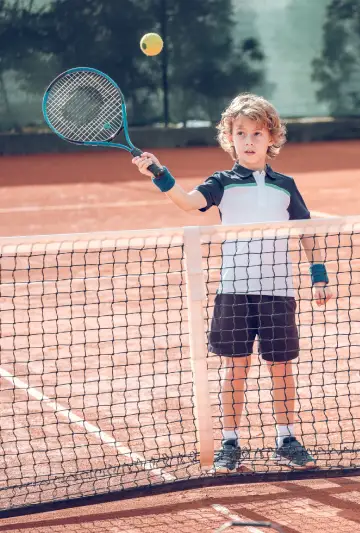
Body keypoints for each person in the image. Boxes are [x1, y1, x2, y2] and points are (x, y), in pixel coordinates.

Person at [132, 93, 331, 472]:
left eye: (258, 133)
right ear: (230, 139)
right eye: (241, 133)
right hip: (235, 292)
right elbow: (189, 203)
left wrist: (318, 276)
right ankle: (229, 442)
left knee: (281, 368)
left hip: (278, 292)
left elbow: (307, 232)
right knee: (236, 367)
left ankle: (286, 438)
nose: (250, 140)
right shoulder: (222, 182)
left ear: (272, 138)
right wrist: (160, 173)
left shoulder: (285, 185)